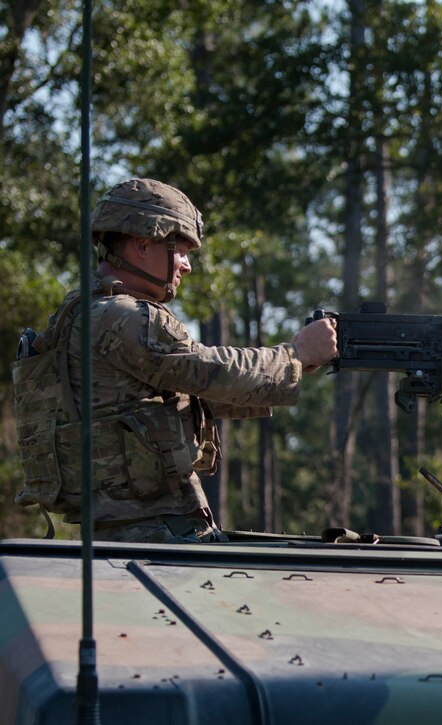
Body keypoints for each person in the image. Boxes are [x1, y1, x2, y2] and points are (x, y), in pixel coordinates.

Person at [12, 178, 338, 543]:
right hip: (154, 530)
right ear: (142, 244)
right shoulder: (124, 316)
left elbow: (193, 397)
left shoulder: (86, 311)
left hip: (132, 525)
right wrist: (294, 355)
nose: (187, 266)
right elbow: (207, 370)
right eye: (181, 251)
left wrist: (298, 366)